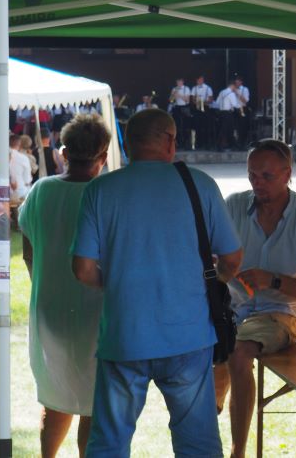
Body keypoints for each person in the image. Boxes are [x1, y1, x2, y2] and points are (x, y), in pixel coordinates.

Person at [72, 109, 243, 457]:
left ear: (127, 145)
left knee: (109, 443)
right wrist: (213, 280)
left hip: (124, 334)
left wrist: (117, 281)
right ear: (170, 141)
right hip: (188, 335)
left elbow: (83, 269)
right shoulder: (200, 184)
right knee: (198, 443)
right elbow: (232, 259)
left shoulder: (100, 189)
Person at [215, 139, 296, 458]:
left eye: (267, 176)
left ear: (287, 174)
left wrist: (273, 280)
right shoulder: (234, 206)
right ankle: (206, 423)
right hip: (232, 309)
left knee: (238, 352)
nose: (258, 183)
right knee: (195, 345)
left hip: (279, 314)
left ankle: (237, 452)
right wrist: (220, 268)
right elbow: (211, 260)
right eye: (252, 175)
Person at [18, 114, 111, 458]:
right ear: (103, 156)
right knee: (94, 401)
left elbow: (28, 251)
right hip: (96, 311)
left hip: (49, 307)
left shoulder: (41, 190)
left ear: (64, 152)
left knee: (56, 396)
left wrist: (45, 282)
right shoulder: (105, 194)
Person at [191, 76, 214, 149]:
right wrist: (197, 102)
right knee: (197, 126)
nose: (200, 81)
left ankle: (207, 144)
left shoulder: (208, 88)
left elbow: (211, 99)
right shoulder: (194, 88)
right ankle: (198, 144)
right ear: (197, 81)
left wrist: (203, 102)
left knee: (206, 126)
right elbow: (193, 99)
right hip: (197, 109)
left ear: (203, 80)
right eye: (198, 80)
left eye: (201, 80)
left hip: (205, 108)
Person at [9, 134, 32, 204]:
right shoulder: (24, 158)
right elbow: (27, 180)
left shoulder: (0, 156)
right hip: (20, 192)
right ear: (19, 144)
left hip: (4, 191)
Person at [169, 78, 192, 148]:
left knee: (186, 126)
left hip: (185, 107)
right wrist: (173, 95)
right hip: (177, 108)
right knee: (177, 126)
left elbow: (187, 100)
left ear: (182, 82)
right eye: (177, 82)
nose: (178, 83)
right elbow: (171, 100)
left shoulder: (186, 89)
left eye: (179, 82)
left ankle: (186, 144)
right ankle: (178, 144)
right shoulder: (174, 89)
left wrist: (179, 95)